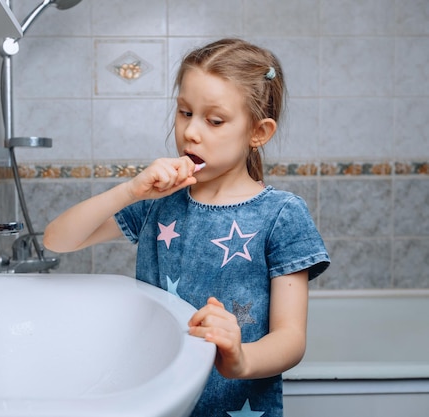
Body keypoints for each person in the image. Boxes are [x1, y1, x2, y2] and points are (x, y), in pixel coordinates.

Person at [43, 38, 330, 417]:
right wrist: (130, 190)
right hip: (157, 400)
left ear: (258, 132)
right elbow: (58, 240)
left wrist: (241, 359)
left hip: (235, 405)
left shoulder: (281, 215)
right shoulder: (158, 202)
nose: (191, 132)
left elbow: (291, 338)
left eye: (214, 120)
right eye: (184, 112)